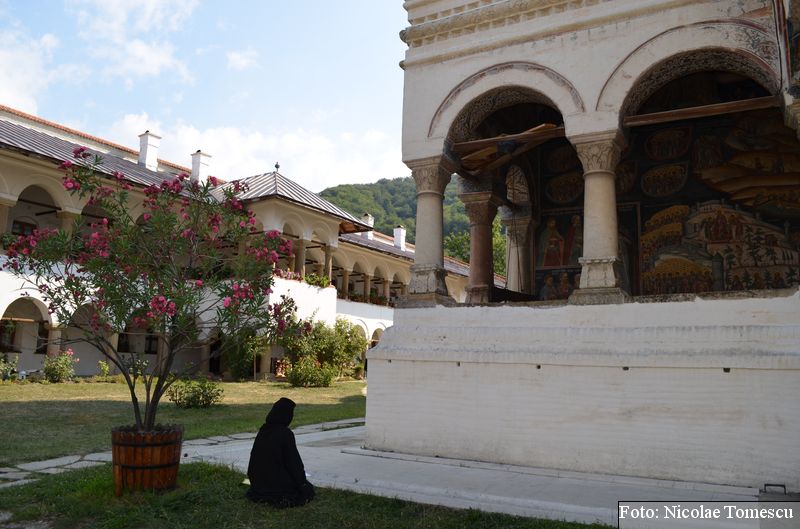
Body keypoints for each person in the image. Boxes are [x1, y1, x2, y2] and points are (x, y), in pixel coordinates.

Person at [246, 397, 315, 507]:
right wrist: (302, 483)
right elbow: (294, 463)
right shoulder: (285, 434)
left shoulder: (264, 429)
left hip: (258, 483)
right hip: (275, 484)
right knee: (307, 490)